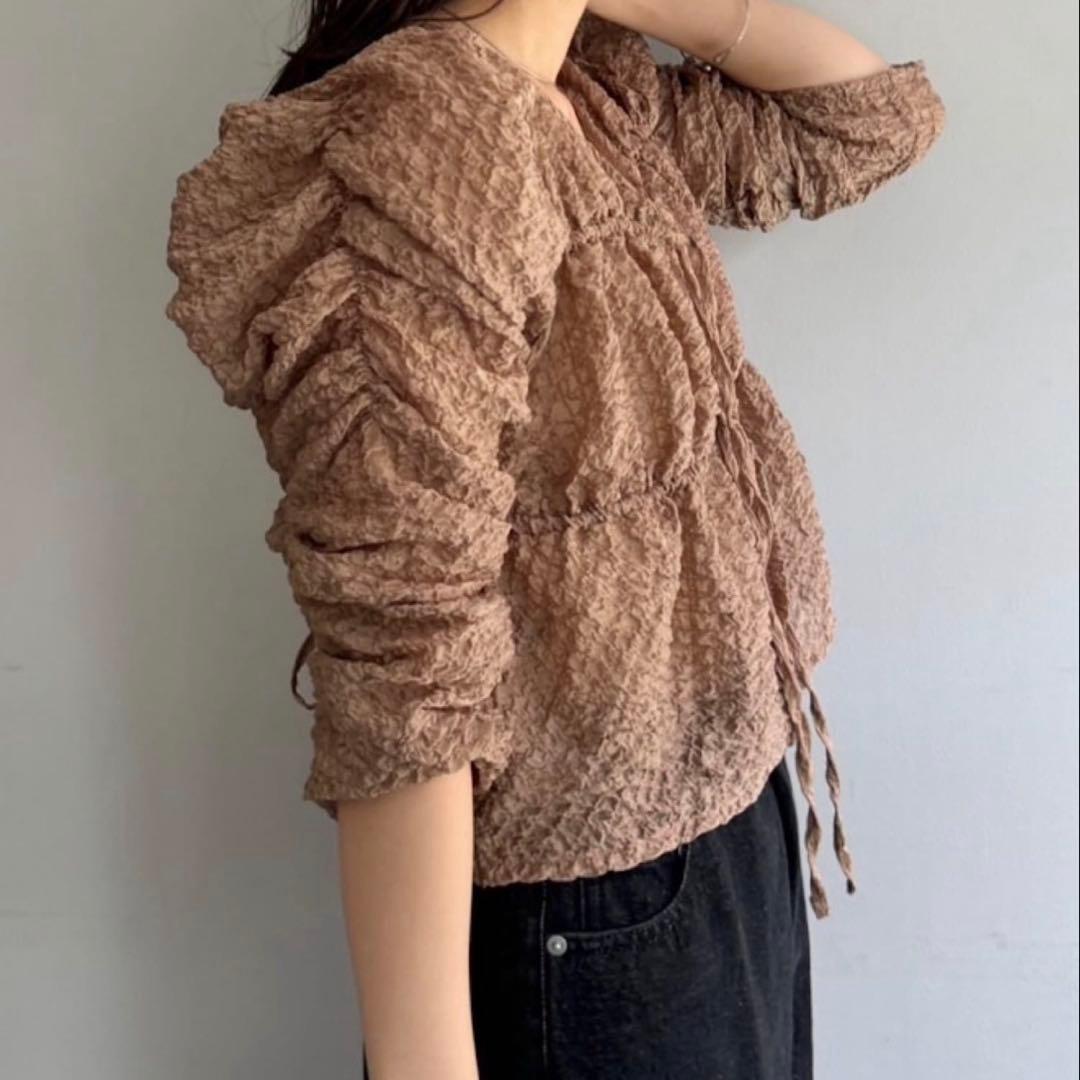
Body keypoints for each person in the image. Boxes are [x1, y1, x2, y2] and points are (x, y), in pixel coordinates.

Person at [163, 1, 946, 1076]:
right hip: (598, 904)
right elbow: (404, 667)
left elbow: (871, 121)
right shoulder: (429, 144)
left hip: (729, 811)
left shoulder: (595, 95)